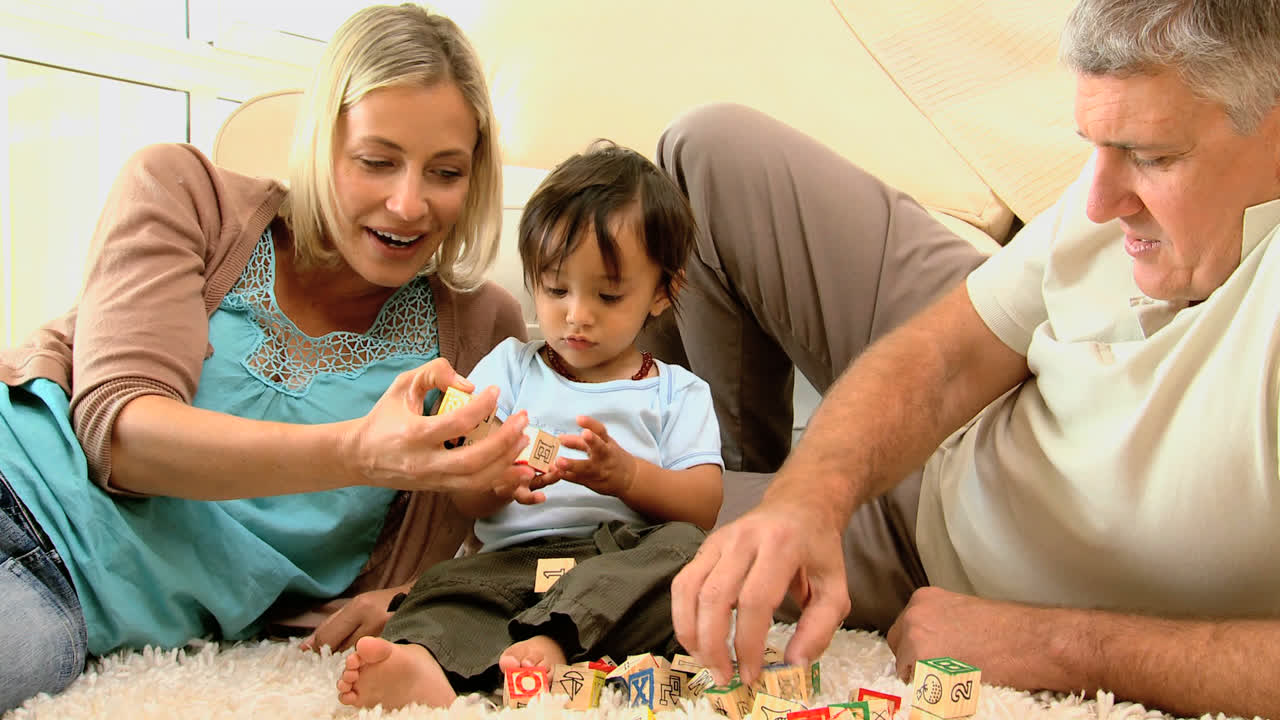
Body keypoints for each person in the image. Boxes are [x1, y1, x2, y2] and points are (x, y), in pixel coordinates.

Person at [651, 0, 1280, 717]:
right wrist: (804, 501)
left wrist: (1054, 646)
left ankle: (721, 495)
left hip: (936, 548)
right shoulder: (1113, 195)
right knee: (708, 150)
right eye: (1094, 146)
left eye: (1152, 156)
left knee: (604, 517)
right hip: (995, 402)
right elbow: (949, 357)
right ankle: (743, 479)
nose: (1098, 203)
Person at [0, 4, 543, 713]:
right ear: (320, 143)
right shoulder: (184, 193)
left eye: (445, 172)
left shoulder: (481, 331)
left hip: (65, 599)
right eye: (376, 162)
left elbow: (547, 536)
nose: (409, 204)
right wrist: (361, 452)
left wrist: (418, 596)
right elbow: (123, 437)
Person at [334, 141, 724, 710]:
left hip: (617, 566)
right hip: (516, 564)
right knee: (441, 591)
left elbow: (704, 506)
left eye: (608, 295)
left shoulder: (677, 391)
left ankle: (554, 639)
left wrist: (627, 478)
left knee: (689, 556)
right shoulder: (507, 369)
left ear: (663, 292)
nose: (575, 315)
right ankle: (427, 667)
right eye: (555, 289)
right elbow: (465, 499)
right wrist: (491, 482)